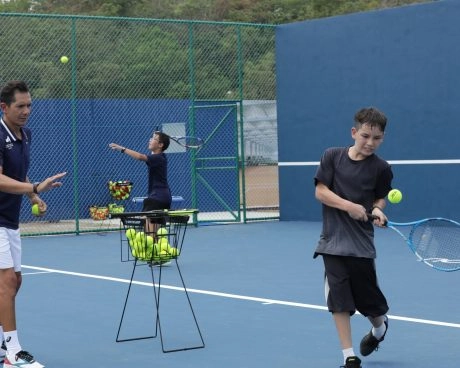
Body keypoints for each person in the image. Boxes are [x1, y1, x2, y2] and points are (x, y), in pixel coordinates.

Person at [313, 107, 393, 368]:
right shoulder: (332, 157)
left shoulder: (381, 168)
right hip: (332, 243)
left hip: (361, 246)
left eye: (377, 138)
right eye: (366, 136)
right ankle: (349, 356)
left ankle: (379, 329)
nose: (370, 143)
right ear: (354, 132)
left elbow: (380, 196)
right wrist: (349, 206)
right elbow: (321, 192)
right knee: (339, 301)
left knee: (371, 305)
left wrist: (378, 208)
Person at [0, 80, 67, 368]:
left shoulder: (25, 136)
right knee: (6, 282)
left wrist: (34, 196)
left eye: (29, 105)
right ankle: (13, 353)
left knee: (16, 282)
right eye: (20, 106)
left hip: (11, 219)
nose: (27, 110)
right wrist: (34, 187)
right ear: (4, 107)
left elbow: (20, 176)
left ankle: (5, 342)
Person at [109, 130, 172, 236]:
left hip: (156, 199)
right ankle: (156, 249)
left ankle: (151, 249)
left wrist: (122, 149)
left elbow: (140, 157)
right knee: (154, 234)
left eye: (154, 139)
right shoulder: (160, 157)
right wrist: (157, 135)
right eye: (151, 137)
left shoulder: (158, 158)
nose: (150, 140)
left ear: (161, 145)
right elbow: (151, 154)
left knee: (149, 234)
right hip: (163, 198)